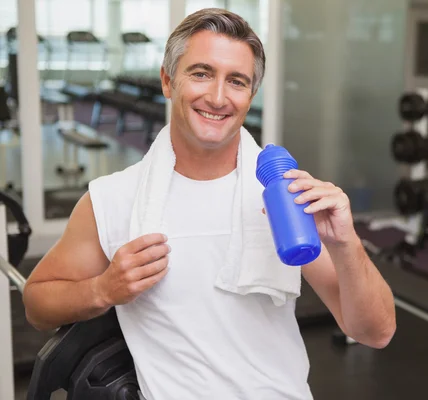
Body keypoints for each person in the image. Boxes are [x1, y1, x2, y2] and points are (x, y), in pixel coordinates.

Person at [23, 8, 396, 400]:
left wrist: (346, 243)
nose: (218, 97)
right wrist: (103, 289)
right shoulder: (115, 198)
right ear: (168, 81)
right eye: (201, 73)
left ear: (250, 96)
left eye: (236, 81)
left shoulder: (284, 199)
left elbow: (376, 331)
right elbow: (37, 303)